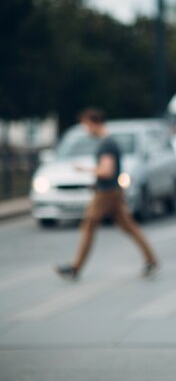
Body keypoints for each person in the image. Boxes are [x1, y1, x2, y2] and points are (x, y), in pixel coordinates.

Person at [56, 108, 159, 280]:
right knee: (129, 227)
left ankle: (75, 267)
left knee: (89, 225)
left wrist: (84, 169)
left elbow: (107, 171)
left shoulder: (106, 144)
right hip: (112, 192)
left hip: (105, 193)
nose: (85, 129)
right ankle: (151, 260)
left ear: (93, 122)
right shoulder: (110, 142)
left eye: (85, 125)